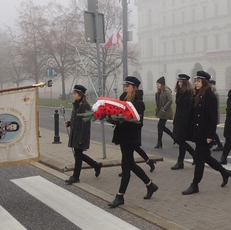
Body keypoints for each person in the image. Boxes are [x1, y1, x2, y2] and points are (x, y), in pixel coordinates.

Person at [108, 76, 158, 208]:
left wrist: (124, 119)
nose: (125, 88)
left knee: (126, 167)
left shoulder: (138, 103)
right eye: (125, 86)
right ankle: (150, 185)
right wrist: (111, 118)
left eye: (127, 86)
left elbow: (138, 123)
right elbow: (116, 115)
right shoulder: (123, 99)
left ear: (134, 87)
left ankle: (120, 196)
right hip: (122, 136)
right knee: (130, 164)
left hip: (130, 137)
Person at [181, 71, 231, 195]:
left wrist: (210, 135)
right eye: (196, 81)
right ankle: (224, 172)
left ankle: (195, 184)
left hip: (204, 133)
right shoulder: (198, 94)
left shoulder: (210, 96)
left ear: (204, 82)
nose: (196, 83)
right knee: (205, 157)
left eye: (198, 81)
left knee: (199, 159)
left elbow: (212, 118)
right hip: (198, 132)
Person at [64, 85, 102, 184]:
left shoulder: (85, 105)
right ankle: (96, 165)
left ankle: (76, 176)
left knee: (78, 156)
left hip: (80, 135)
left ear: (80, 94)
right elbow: (76, 119)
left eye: (75, 93)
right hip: (75, 134)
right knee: (79, 155)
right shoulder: (77, 104)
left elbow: (86, 124)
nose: (73, 95)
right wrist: (69, 123)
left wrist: (82, 138)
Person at [170, 74, 195, 170]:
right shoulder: (179, 92)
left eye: (181, 82)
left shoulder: (189, 93)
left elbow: (189, 109)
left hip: (185, 119)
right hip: (179, 118)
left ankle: (180, 161)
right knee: (179, 140)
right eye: (179, 81)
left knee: (180, 139)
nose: (179, 83)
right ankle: (193, 154)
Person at [154, 76, 174, 149]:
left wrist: (164, 109)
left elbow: (170, 100)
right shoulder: (159, 92)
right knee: (161, 126)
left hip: (166, 112)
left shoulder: (167, 91)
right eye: (157, 84)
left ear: (162, 84)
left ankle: (159, 142)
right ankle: (172, 137)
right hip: (161, 112)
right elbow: (158, 103)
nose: (157, 86)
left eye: (158, 84)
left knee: (160, 126)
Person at [209, 78, 223, 152]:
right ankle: (215, 143)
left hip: (213, 115)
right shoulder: (212, 92)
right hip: (212, 115)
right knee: (211, 131)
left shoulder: (214, 93)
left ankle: (217, 144)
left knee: (212, 131)